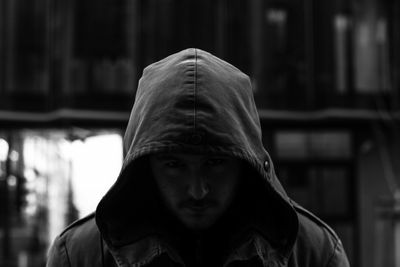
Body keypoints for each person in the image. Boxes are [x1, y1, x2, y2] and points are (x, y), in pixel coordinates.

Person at [46, 48, 350, 267]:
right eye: (174, 165)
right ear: (145, 167)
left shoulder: (315, 252)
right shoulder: (79, 255)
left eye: (215, 164)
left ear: (245, 165)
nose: (197, 189)